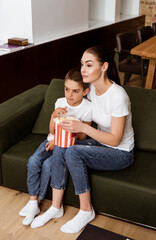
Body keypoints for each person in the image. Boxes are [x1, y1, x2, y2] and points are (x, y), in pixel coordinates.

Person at [30, 45, 134, 233]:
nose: (83, 70)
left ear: (104, 67)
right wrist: (58, 115)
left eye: (88, 65)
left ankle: (86, 210)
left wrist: (83, 127)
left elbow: (116, 140)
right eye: (82, 64)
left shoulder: (118, 96)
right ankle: (56, 207)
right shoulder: (91, 89)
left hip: (120, 152)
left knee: (74, 151)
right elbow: (73, 99)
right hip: (100, 143)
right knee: (64, 144)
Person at [19, 68, 92, 226]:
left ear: (85, 91)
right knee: (33, 161)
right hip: (51, 140)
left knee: (47, 165)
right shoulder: (60, 102)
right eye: (67, 89)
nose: (69, 95)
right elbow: (52, 130)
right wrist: (53, 116)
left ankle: (39, 202)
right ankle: (33, 202)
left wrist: (66, 133)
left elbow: (82, 136)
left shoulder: (87, 108)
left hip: (66, 144)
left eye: (75, 91)